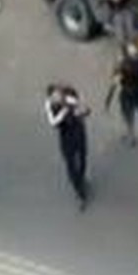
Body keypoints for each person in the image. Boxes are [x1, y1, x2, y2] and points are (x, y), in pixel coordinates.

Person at [45, 83, 92, 211]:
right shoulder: (49, 105)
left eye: (58, 95)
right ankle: (80, 193)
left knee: (83, 157)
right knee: (70, 163)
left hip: (78, 130)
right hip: (66, 135)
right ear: (50, 97)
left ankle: (81, 177)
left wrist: (82, 110)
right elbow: (53, 122)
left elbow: (86, 110)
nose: (57, 98)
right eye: (54, 96)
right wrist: (64, 112)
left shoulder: (69, 99)